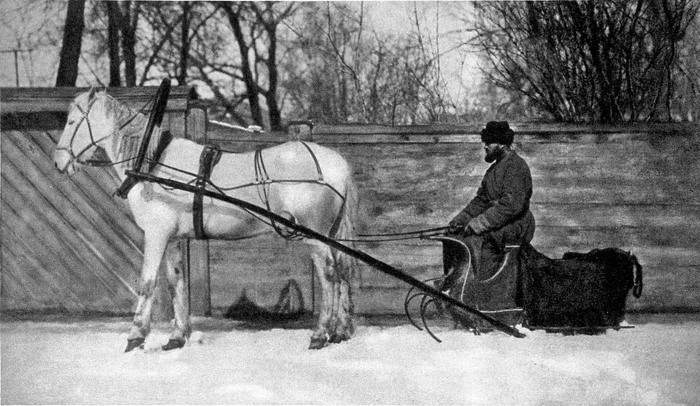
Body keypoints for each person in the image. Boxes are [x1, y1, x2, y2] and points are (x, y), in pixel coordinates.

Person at [447, 121, 536, 280]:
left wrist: (479, 224)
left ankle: (484, 287)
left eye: (489, 142)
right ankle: (454, 283)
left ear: (502, 144)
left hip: (517, 224)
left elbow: (511, 206)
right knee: (452, 237)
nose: (485, 146)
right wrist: (461, 220)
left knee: (478, 240)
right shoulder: (493, 170)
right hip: (500, 222)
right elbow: (481, 201)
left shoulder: (516, 166)